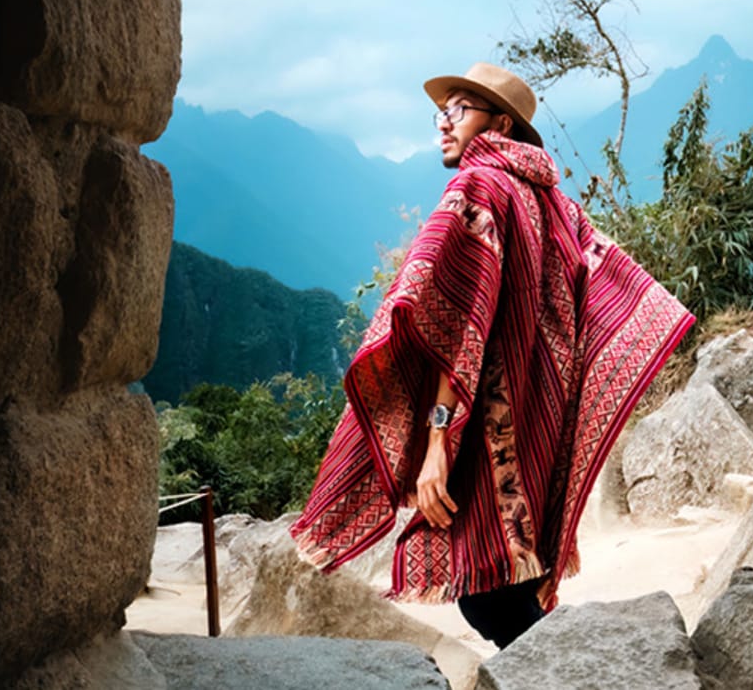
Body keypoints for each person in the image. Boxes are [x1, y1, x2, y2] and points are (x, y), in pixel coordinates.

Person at [290, 62, 694, 649]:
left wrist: (435, 445)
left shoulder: (479, 186)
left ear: (499, 123)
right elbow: (598, 279)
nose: (443, 125)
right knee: (508, 586)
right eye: (442, 112)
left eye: (459, 110)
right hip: (537, 416)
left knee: (486, 593)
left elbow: (458, 324)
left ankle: (578, 676)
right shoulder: (547, 196)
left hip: (485, 424)